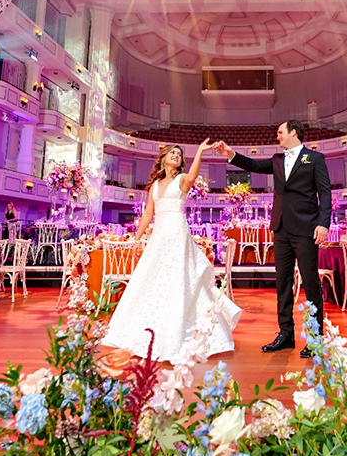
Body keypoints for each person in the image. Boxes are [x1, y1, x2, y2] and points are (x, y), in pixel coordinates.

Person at [103, 139, 242, 362]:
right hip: (158, 236)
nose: (176, 155)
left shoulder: (182, 180)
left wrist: (199, 152)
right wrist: (136, 238)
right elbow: (148, 213)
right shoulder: (155, 186)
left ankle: (179, 337)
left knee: (178, 279)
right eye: (173, 153)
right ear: (163, 159)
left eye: (179, 154)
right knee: (153, 280)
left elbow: (193, 176)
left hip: (177, 233)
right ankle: (149, 334)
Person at [215, 120, 331, 358]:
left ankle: (315, 337)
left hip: (307, 228)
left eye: (280, 132)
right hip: (280, 229)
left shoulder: (315, 159)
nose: (277, 136)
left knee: (310, 284)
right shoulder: (277, 160)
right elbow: (254, 165)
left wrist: (323, 223)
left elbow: (325, 193)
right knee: (283, 284)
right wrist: (231, 154)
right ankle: (286, 334)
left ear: (294, 133)